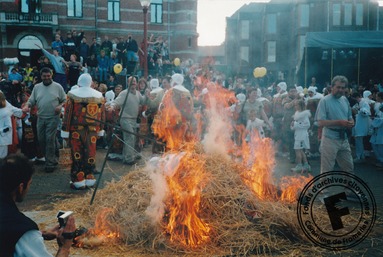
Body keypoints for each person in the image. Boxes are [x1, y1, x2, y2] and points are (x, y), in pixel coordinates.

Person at [0, 154, 76, 257]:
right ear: (21, 187)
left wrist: (40, 234)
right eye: (30, 184)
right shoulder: (22, 228)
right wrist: (65, 246)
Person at [61, 73, 105, 189]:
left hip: (76, 130)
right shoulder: (99, 96)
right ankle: (90, 177)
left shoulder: (72, 95)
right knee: (90, 153)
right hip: (92, 130)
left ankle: (79, 180)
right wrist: (100, 130)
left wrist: (65, 131)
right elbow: (102, 115)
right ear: (90, 82)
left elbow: (68, 114)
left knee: (77, 154)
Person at [22, 67, 67, 173]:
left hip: (53, 117)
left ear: (51, 75)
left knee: (49, 139)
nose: (46, 78)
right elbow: (31, 100)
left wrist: (60, 106)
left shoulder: (58, 87)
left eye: (48, 76)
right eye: (44, 76)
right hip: (41, 117)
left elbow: (65, 100)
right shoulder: (37, 87)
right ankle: (55, 152)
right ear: (41, 77)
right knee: (41, 139)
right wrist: (27, 105)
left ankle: (50, 163)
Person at [315, 75, 354, 174]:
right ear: (332, 87)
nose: (340, 90)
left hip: (343, 138)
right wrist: (339, 122)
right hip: (329, 139)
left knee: (349, 166)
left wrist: (351, 121)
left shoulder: (344, 99)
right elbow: (320, 122)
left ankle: (350, 188)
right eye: (338, 87)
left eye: (343, 87)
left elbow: (349, 115)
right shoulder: (324, 101)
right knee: (327, 168)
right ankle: (324, 189)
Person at [108, 76, 146, 165]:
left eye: (134, 82)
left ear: (136, 83)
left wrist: (147, 96)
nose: (133, 83)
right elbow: (116, 102)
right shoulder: (124, 93)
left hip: (133, 119)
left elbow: (143, 101)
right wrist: (112, 107)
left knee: (131, 138)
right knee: (130, 137)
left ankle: (126, 157)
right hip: (125, 119)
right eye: (131, 82)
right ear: (128, 83)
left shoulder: (137, 93)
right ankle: (129, 159)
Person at [0, 91, 24, 159]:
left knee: (2, 158)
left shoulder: (6, 112)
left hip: (2, 139)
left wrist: (23, 111)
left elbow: (8, 127)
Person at [290, 99, 311, 172]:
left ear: (301, 105)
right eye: (295, 105)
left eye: (297, 105)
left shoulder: (304, 115)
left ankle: (299, 166)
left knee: (297, 150)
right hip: (298, 134)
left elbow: (307, 125)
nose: (295, 106)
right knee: (301, 151)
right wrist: (293, 125)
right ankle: (306, 165)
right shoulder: (297, 113)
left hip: (301, 135)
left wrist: (295, 124)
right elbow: (296, 124)